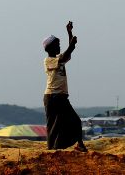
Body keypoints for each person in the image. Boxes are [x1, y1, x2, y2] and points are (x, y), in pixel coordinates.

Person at [42, 21, 88, 152]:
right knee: (54, 125)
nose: (59, 47)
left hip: (60, 97)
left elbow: (69, 51)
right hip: (52, 96)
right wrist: (71, 43)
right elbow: (66, 54)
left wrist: (69, 33)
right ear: (50, 48)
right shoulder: (49, 61)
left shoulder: (59, 57)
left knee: (71, 121)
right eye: (57, 44)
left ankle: (78, 145)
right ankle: (54, 150)